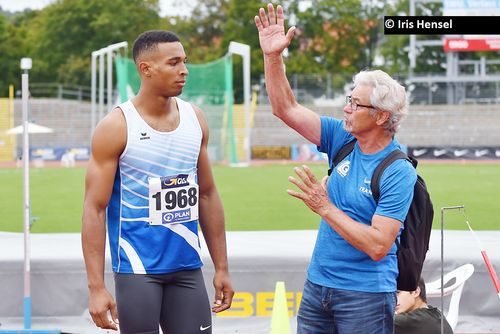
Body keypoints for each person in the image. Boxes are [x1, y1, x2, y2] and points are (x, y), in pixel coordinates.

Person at [255, 4, 417, 334]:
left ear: (382, 116)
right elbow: (285, 107)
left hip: (366, 297)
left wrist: (324, 207)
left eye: (357, 104)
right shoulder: (342, 138)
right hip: (318, 287)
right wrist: (273, 57)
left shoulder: (398, 170)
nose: (346, 107)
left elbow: (377, 245)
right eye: (349, 98)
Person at [81, 30, 234, 334]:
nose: (184, 70)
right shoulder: (116, 126)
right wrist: (96, 287)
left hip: (187, 267)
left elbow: (207, 194)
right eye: (174, 62)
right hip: (138, 269)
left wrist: (222, 267)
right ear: (146, 69)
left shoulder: (196, 119)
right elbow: (95, 209)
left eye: (185, 62)